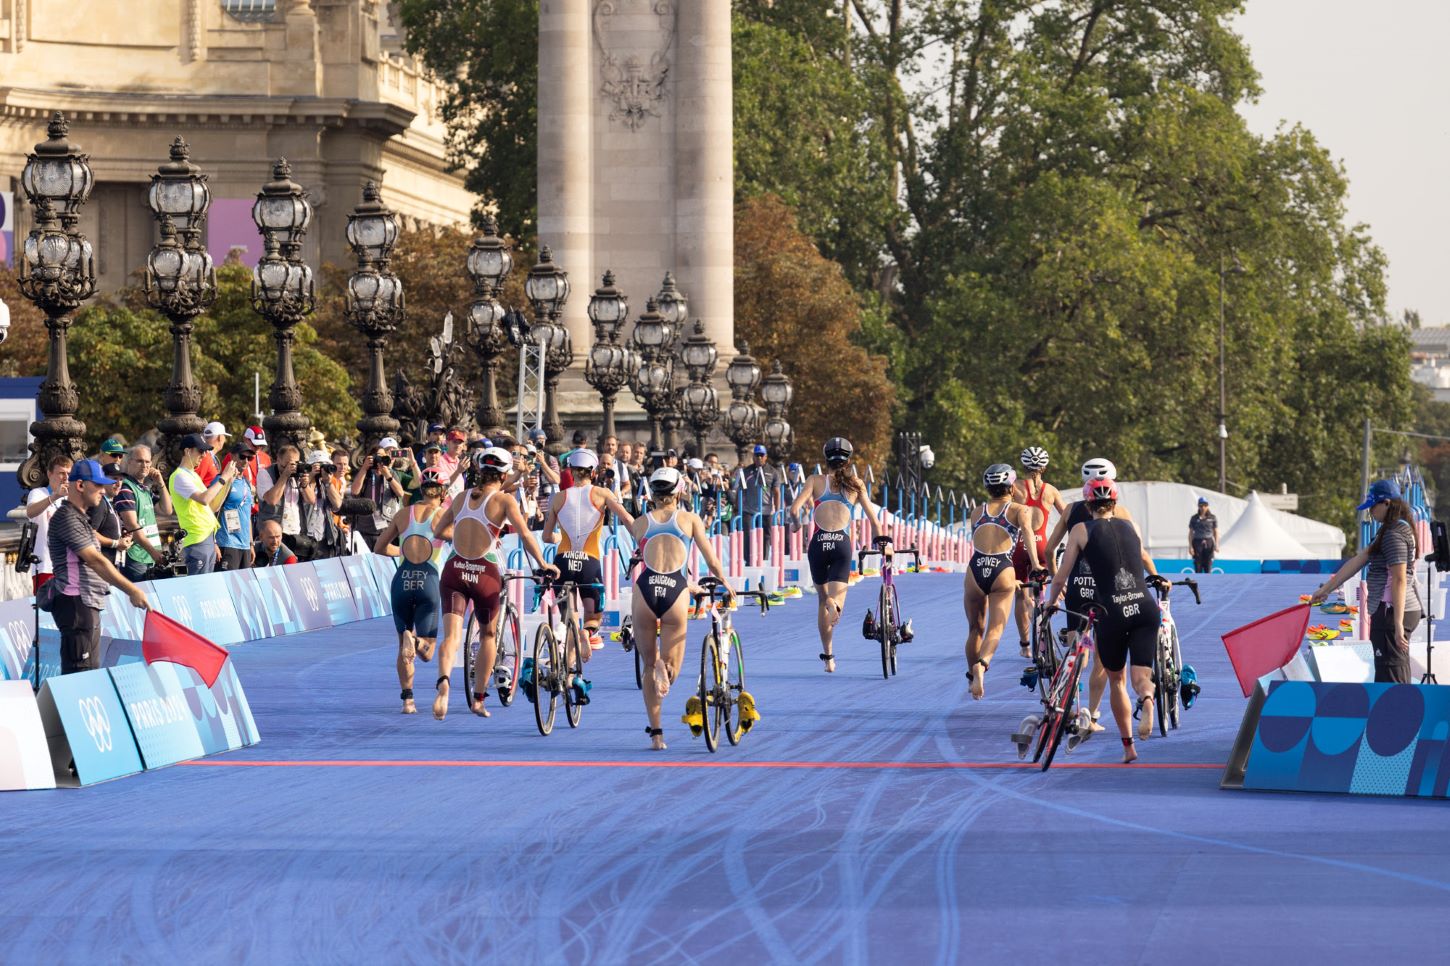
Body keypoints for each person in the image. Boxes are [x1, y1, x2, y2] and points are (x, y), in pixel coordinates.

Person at [430, 447, 556, 720]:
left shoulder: (463, 496)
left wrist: (464, 535)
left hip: (454, 570)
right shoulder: (504, 500)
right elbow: (525, 534)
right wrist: (542, 565)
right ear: (503, 475)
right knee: (488, 635)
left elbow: (438, 531)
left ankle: (443, 683)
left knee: (451, 636)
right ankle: (478, 699)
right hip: (485, 572)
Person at [1046, 478, 1163, 763]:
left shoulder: (1080, 529)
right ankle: (1147, 699)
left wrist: (1051, 603)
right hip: (1145, 607)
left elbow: (1062, 575)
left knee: (1118, 681)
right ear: (1115, 503)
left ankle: (1128, 747)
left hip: (1113, 611)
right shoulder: (1131, 526)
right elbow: (1141, 557)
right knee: (1141, 678)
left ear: (1088, 504)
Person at [628, 467, 733, 751]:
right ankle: (667, 669)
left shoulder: (639, 523)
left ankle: (656, 734)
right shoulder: (689, 519)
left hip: (646, 589)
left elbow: (642, 555)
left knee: (649, 666)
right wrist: (724, 582)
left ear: (652, 493)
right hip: (676, 590)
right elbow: (711, 560)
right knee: (672, 668)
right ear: (678, 492)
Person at [789, 437, 887, 673]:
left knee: (822, 600)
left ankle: (828, 656)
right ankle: (834, 604)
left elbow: (793, 509)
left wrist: (794, 526)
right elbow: (874, 521)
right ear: (848, 460)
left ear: (826, 459)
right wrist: (883, 543)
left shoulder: (815, 480)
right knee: (836, 601)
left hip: (818, 543)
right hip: (841, 544)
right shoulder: (856, 484)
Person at [1309, 479, 1422, 683]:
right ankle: (1393, 713)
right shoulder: (1388, 530)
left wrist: (1397, 624)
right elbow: (1359, 560)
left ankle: (1396, 714)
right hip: (1394, 610)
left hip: (1392, 611)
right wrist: (1326, 589)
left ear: (1387, 503)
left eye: (1373, 506)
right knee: (1390, 670)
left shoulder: (1393, 534)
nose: (1371, 512)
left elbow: (1399, 580)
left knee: (1392, 675)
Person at [47, 459, 150, 673]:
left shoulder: (80, 517)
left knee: (89, 670)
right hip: (75, 604)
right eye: (98, 485)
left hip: (87, 603)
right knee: (79, 672)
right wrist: (132, 589)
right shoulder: (66, 518)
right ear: (81, 485)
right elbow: (95, 560)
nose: (103, 490)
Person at [540, 449, 635, 651]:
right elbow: (627, 519)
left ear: (571, 471)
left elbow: (546, 537)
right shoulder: (603, 494)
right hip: (589, 562)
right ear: (592, 473)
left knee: (568, 617)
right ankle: (587, 633)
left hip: (562, 562)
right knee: (593, 617)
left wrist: (557, 537)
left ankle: (567, 658)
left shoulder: (558, 498)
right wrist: (645, 540)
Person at [963, 464, 1042, 699]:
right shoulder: (1019, 509)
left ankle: (971, 675)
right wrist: (1036, 565)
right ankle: (983, 663)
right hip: (1002, 569)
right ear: (1011, 485)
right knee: (996, 628)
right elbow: (1027, 534)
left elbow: (981, 541)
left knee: (975, 629)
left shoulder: (977, 511)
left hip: (975, 569)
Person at [373, 467, 447, 714]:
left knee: (400, 647)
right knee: (427, 652)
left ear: (420, 491)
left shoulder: (404, 514)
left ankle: (408, 701)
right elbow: (464, 543)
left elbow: (380, 547)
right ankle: (414, 640)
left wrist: (403, 551)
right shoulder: (443, 516)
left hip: (402, 579)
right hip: (428, 579)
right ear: (443, 492)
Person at [1011, 446, 1067, 657]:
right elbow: (1067, 517)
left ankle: (1025, 645)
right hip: (1043, 545)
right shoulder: (1051, 491)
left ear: (1024, 465)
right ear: (1044, 467)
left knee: (1020, 597)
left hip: (1020, 546)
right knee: (1042, 591)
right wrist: (1058, 539)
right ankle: (1044, 624)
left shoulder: (1014, 487)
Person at [169, 433, 235, 575]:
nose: (204, 455)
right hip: (196, 540)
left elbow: (212, 506)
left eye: (205, 451)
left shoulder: (192, 475)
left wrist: (228, 482)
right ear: (187, 451)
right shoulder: (179, 476)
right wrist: (223, 477)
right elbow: (204, 499)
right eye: (200, 450)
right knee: (199, 588)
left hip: (206, 538)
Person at [114, 445, 173, 581]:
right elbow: (132, 525)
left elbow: (167, 510)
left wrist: (160, 483)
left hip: (149, 556)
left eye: (147, 462)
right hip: (135, 556)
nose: (144, 465)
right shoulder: (126, 488)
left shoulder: (144, 489)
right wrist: (154, 553)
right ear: (129, 462)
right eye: (139, 461)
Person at [25, 455, 74, 591]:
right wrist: (54, 496)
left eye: (69, 474)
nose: (65, 478)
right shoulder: (39, 493)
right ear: (49, 474)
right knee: (46, 610)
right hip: (46, 566)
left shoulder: (72, 498)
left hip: (69, 567)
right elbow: (30, 512)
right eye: (61, 473)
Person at [351, 439, 408, 550]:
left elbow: (400, 493)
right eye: (378, 457)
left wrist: (387, 475)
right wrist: (364, 468)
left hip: (387, 530)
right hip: (366, 529)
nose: (380, 460)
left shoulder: (391, 473)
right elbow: (354, 491)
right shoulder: (365, 473)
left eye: (383, 456)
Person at [216, 441, 258, 570]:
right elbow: (212, 511)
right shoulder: (221, 480)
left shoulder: (246, 483)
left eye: (249, 458)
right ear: (233, 456)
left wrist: (250, 544)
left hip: (244, 545)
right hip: (227, 542)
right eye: (242, 457)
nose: (246, 461)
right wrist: (213, 542)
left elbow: (247, 516)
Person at [739, 444, 778, 564]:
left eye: (762, 455)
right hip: (749, 510)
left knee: (766, 537)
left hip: (766, 511)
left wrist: (777, 510)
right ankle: (749, 560)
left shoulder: (773, 472)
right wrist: (738, 507)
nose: (759, 458)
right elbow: (740, 491)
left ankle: (764, 560)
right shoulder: (746, 471)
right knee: (748, 537)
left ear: (766, 456)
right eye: (757, 455)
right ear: (753, 457)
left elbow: (776, 492)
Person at [1188, 497, 1218, 573]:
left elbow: (1216, 532)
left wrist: (1216, 545)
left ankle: (1209, 583)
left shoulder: (1212, 517)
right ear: (1198, 506)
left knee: (1208, 565)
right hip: (1197, 543)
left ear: (1207, 506)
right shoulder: (1194, 518)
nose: (1203, 507)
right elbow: (1191, 532)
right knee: (1198, 566)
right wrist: (1190, 546)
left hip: (1209, 542)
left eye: (1205, 505)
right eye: (1201, 505)